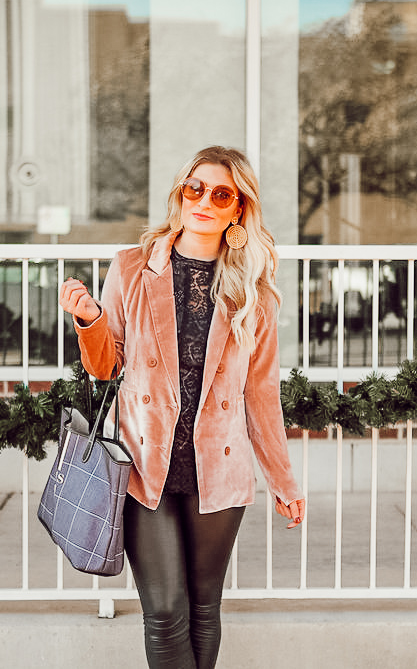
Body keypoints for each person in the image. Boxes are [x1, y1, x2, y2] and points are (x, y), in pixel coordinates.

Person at [59, 145, 305, 668]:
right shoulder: (131, 267)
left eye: (221, 194)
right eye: (195, 188)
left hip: (218, 469)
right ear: (179, 192)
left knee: (203, 609)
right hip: (146, 467)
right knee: (166, 611)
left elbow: (261, 395)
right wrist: (89, 321)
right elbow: (106, 367)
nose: (204, 202)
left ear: (238, 209)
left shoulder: (252, 293)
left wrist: (283, 481)